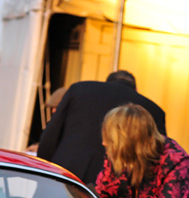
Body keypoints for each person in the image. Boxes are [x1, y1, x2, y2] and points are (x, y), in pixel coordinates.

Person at [37, 71, 167, 186]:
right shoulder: (153, 110)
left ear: (106, 82)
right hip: (118, 186)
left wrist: (44, 166)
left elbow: (50, 136)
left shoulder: (79, 89)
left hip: (64, 174)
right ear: (136, 89)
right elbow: (156, 159)